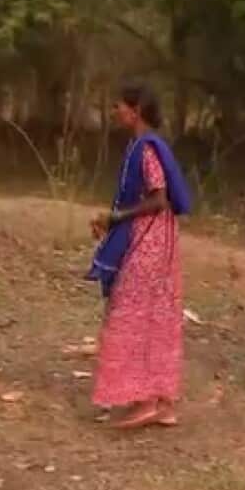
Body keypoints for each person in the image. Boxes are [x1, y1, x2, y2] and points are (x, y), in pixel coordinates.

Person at [87, 85, 193, 430]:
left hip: (150, 238)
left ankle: (146, 400)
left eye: (118, 106)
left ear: (135, 111)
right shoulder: (139, 145)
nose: (114, 110)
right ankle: (163, 402)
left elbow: (159, 198)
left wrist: (115, 218)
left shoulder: (146, 147)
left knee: (133, 311)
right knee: (156, 312)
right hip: (156, 236)